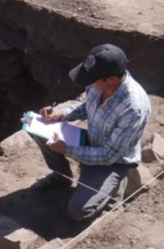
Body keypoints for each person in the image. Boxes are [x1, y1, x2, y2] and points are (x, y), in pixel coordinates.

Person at [32, 44, 151, 221]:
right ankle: (61, 177)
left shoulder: (133, 108)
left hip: (113, 161)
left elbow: (109, 155)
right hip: (92, 141)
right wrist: (62, 114)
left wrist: (67, 150)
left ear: (111, 79)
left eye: (92, 80)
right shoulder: (98, 84)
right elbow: (87, 107)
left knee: (79, 211)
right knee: (40, 131)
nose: (88, 83)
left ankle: (114, 195)